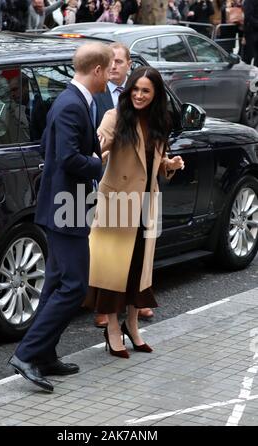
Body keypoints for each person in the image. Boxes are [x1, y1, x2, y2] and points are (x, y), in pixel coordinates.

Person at [8, 42, 114, 392]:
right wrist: (98, 164)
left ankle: (46, 354)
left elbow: (47, 148)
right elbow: (69, 158)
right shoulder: (71, 105)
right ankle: (26, 354)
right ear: (97, 70)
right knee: (74, 286)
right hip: (65, 208)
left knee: (55, 284)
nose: (111, 75)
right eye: (109, 68)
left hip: (66, 204)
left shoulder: (71, 101)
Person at [85, 66, 184, 358]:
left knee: (138, 269)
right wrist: (94, 154)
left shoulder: (159, 121)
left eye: (146, 91)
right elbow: (96, 149)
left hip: (145, 204)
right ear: (128, 91)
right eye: (136, 90)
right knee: (115, 272)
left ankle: (132, 324)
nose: (139, 96)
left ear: (155, 95)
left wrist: (169, 165)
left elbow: (153, 160)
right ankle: (113, 329)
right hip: (117, 204)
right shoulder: (115, 118)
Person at [93, 42, 155, 328]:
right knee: (108, 251)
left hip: (139, 187)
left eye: (119, 61)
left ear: (129, 64)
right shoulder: (99, 95)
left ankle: (136, 300)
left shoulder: (147, 105)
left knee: (138, 248)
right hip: (106, 181)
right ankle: (104, 308)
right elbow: (97, 143)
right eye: (110, 62)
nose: (114, 66)